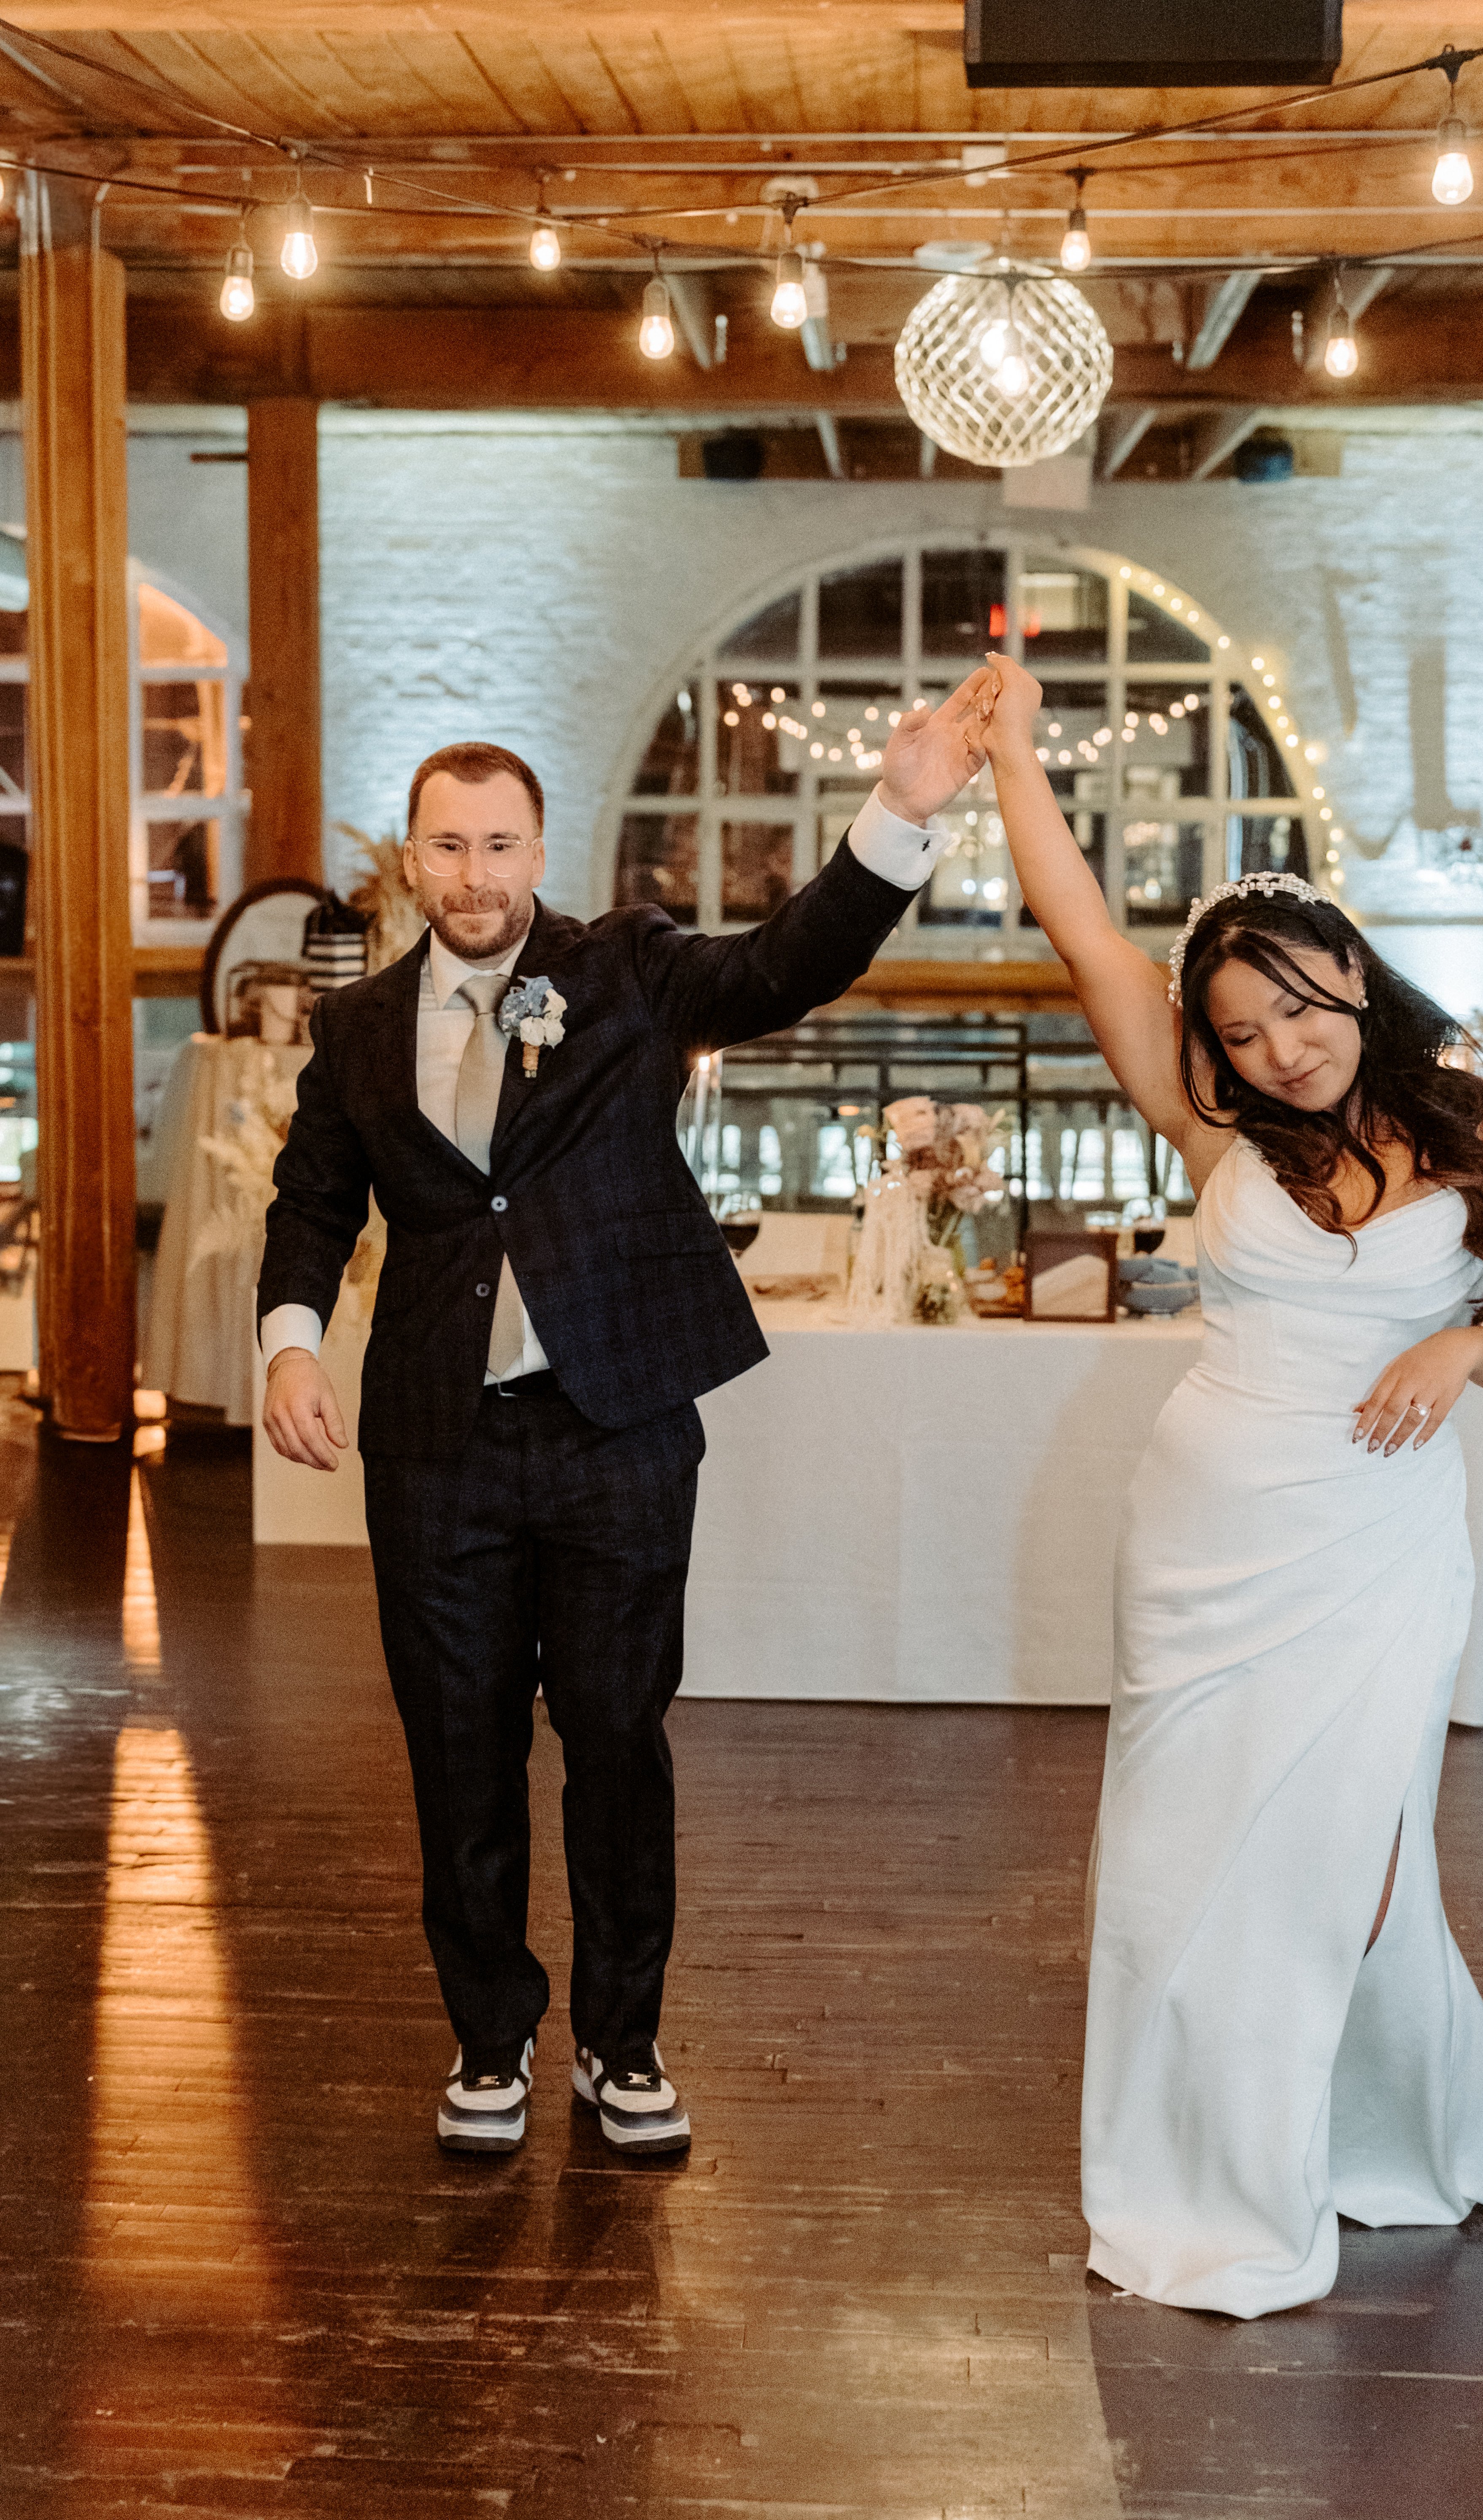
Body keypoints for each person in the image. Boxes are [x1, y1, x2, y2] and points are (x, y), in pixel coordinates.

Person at [258, 688, 992, 2160]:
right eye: (449, 845)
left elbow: (789, 962)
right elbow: (313, 1204)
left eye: (503, 844)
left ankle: (622, 2042)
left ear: (541, 849)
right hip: (437, 1447)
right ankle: (488, 2043)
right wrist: (288, 1343)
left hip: (618, 1429)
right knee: (457, 1751)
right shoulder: (352, 1026)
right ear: (410, 858)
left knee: (616, 1740)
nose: (477, 875)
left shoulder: (630, 970)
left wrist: (899, 814)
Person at [979, 653, 1483, 2318]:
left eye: (1304, 1008)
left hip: (1383, 1547)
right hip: (1201, 1540)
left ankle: (1319, 2134)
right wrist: (1015, 761)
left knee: (1346, 1849)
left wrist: (1462, 1356)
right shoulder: (1216, 1126)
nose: (1282, 1048)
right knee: (1185, 1860)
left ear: (1352, 970)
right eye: (1244, 1032)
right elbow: (1087, 938)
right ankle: (1224, 2165)